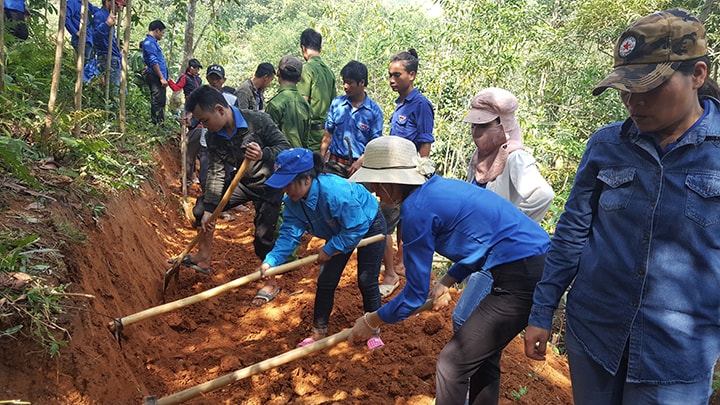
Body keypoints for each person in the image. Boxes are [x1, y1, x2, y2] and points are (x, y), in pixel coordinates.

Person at [524, 9, 720, 404]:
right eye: (625, 90)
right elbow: (572, 233)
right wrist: (542, 310)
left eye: (649, 88)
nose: (633, 102)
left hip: (677, 357)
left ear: (697, 75)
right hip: (594, 337)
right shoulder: (606, 146)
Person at [346, 136, 550, 404]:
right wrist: (448, 278)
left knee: (452, 365)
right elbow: (480, 243)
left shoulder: (417, 211)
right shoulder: (435, 189)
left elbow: (415, 295)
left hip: (521, 274)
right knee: (483, 358)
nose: (373, 189)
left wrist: (372, 320)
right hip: (531, 262)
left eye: (375, 181)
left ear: (392, 179)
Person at [258, 148, 386, 348]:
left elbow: (356, 226)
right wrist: (271, 260)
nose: (285, 190)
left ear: (307, 179)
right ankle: (319, 332)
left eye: (288, 184)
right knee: (326, 281)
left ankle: (373, 330)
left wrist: (331, 248)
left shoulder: (335, 193)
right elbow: (290, 233)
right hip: (338, 231)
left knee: (366, 280)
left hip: (368, 224)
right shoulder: (293, 201)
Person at [452, 87, 554, 333]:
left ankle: (463, 370)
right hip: (481, 251)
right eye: (474, 126)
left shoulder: (514, 158)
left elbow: (543, 195)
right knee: (480, 323)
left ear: (502, 126)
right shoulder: (480, 157)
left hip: (501, 253)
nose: (476, 133)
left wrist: (509, 227)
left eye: (483, 126)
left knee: (464, 320)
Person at [176, 85, 290, 275]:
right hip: (242, 183)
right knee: (201, 209)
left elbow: (284, 147)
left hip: (268, 185)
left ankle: (270, 281)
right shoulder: (213, 137)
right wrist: (210, 210)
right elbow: (216, 172)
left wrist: (264, 153)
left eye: (205, 120)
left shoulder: (258, 121)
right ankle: (204, 257)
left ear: (220, 109)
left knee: (263, 238)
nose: (203, 126)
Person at [381, 48, 436, 297]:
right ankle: (394, 266)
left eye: (397, 75)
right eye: (390, 75)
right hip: (394, 173)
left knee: (395, 221)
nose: (392, 80)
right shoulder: (400, 104)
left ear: (412, 75)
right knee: (393, 220)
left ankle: (396, 268)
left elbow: (425, 142)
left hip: (408, 174)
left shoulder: (421, 105)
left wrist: (418, 175)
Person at [320, 60, 383, 180]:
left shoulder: (374, 111)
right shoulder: (337, 104)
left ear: (362, 83)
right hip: (334, 166)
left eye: (349, 83)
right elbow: (328, 133)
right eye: (344, 82)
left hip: (360, 169)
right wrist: (321, 159)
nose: (345, 86)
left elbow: (374, 143)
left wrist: (360, 162)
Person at [298, 28, 336, 152]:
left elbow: (302, 105)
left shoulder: (306, 69)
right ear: (320, 49)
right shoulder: (329, 72)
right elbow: (333, 105)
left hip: (310, 135)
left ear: (303, 48)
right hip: (325, 134)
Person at [265, 55, 312, 149]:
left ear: (278, 73)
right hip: (300, 157)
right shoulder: (305, 104)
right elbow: (306, 139)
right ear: (299, 78)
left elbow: (267, 138)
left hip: (280, 159)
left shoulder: (275, 104)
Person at [92, 0, 123, 92]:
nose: (119, 9)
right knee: (113, 92)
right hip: (107, 57)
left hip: (112, 56)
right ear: (108, 2)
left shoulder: (108, 15)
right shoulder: (101, 16)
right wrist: (106, 24)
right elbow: (95, 36)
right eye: (117, 6)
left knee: (116, 90)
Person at [142, 20, 169, 125]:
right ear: (157, 30)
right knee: (157, 101)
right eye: (162, 32)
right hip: (156, 76)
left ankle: (161, 123)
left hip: (158, 76)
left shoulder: (153, 43)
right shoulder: (149, 43)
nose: (162, 35)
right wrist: (161, 77)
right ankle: (157, 124)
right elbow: (153, 61)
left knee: (161, 100)